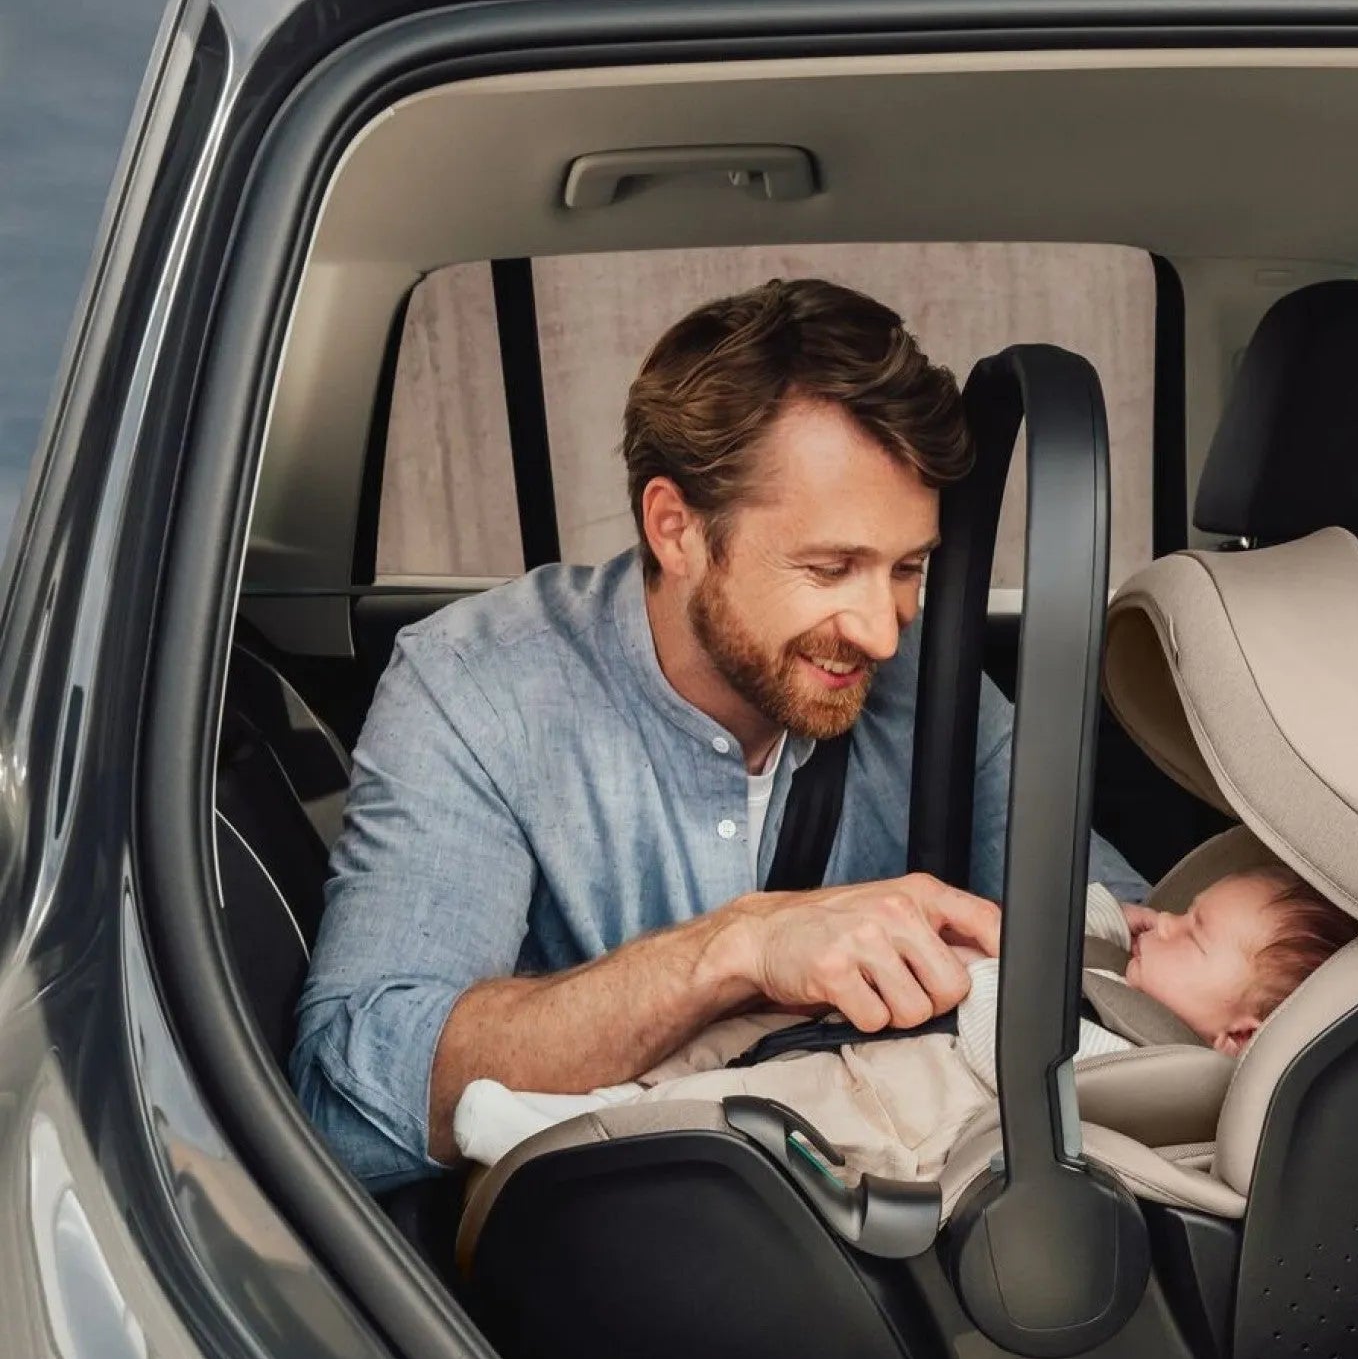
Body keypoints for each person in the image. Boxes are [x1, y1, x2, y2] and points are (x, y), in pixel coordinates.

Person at [291, 278, 1145, 1190]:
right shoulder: (480, 686)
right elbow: (350, 1105)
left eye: (908, 568)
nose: (884, 631)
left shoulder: (925, 679)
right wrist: (734, 949)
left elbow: (1118, 945)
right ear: (677, 529)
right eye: (829, 567)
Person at [453, 866, 1358, 1175]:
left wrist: (1014, 960)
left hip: (893, 1112)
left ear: (1236, 1039)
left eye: (1191, 933)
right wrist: (1104, 927)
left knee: (742, 1100)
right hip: (875, 1055)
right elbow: (1080, 918)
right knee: (725, 1037)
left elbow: (1016, 1040)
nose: (1160, 920)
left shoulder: (1150, 1070)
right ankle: (600, 1092)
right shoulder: (1143, 987)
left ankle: (567, 1134)